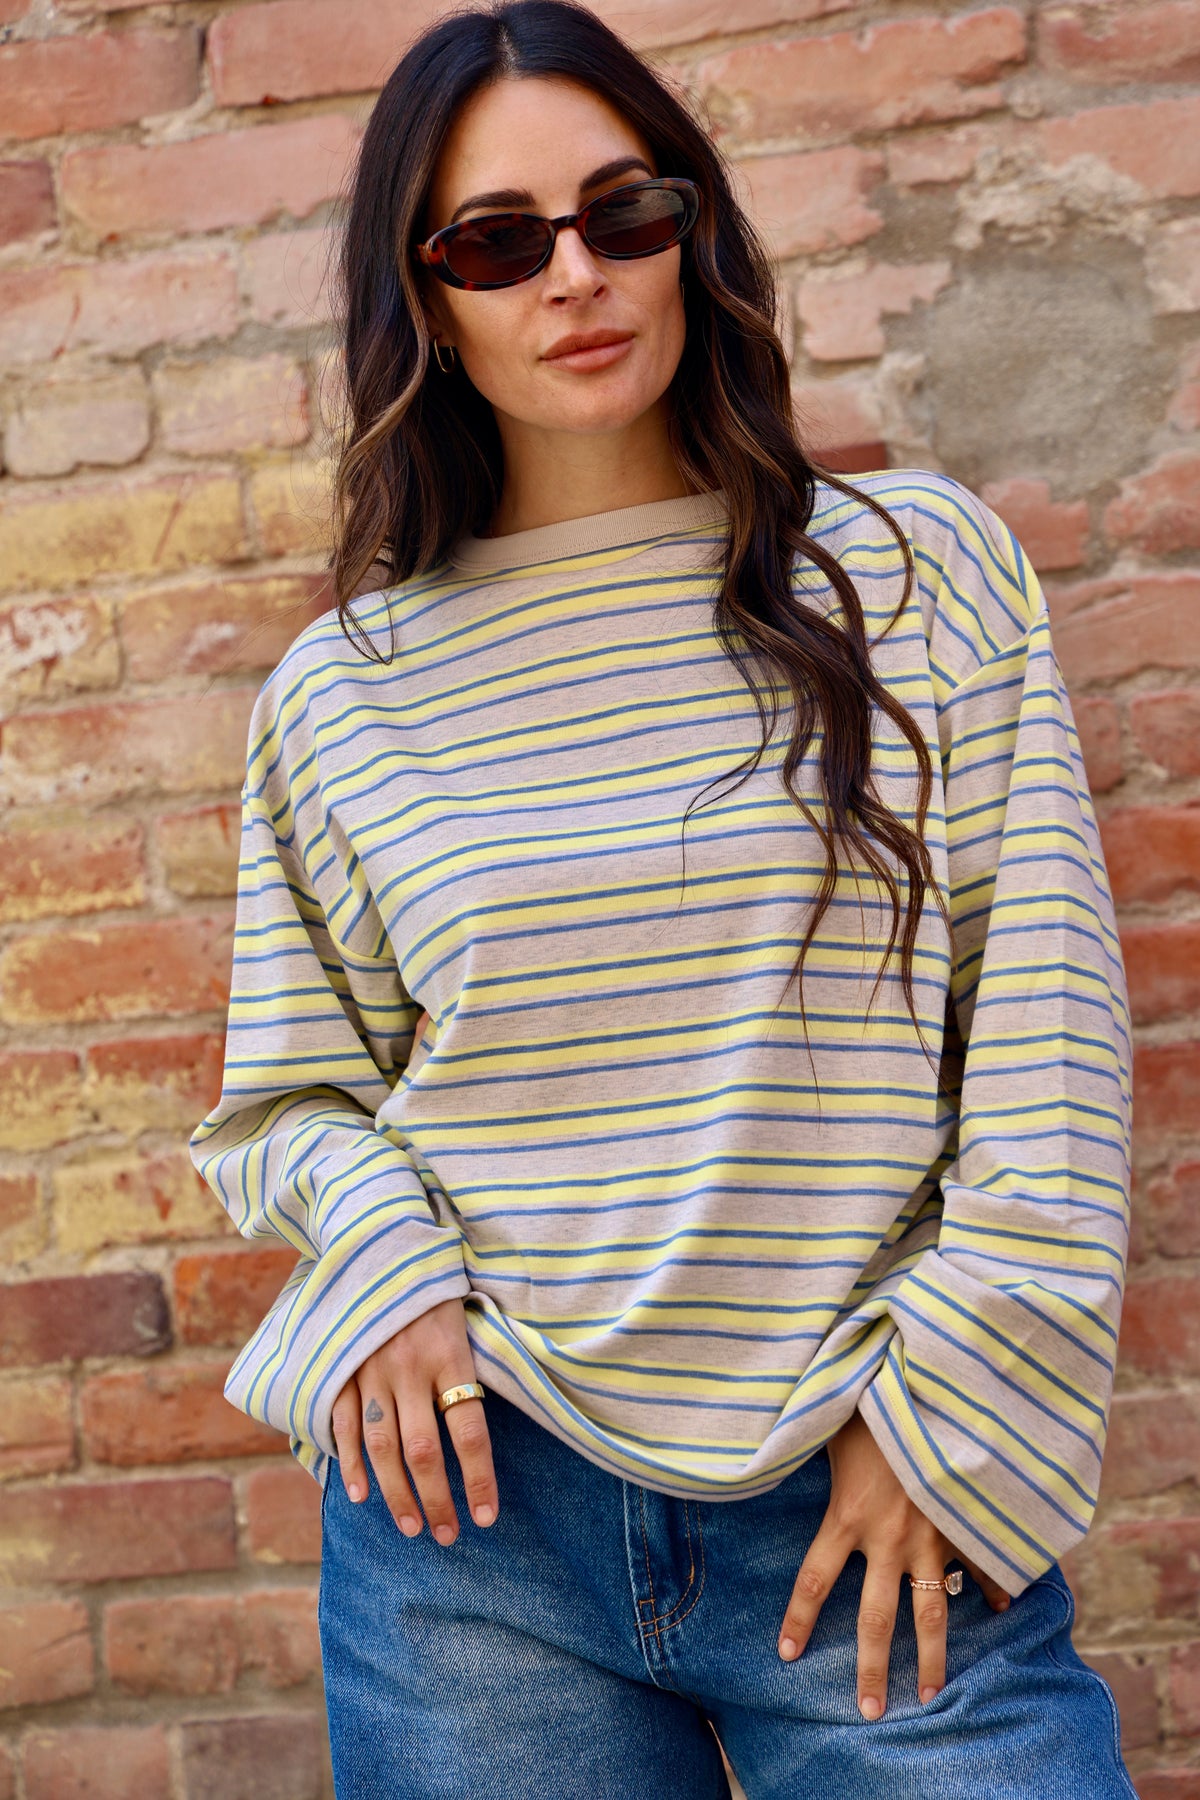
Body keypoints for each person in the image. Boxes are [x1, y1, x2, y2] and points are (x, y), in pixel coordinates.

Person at [189, 3, 1137, 1794]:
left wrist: (948, 1416)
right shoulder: (347, 687)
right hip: (475, 1530)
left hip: (874, 1493)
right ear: (430, 305)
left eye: (627, 211)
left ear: (693, 233)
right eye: (497, 241)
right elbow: (297, 1093)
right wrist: (384, 1275)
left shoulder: (918, 576)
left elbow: (1047, 1045)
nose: (576, 274)